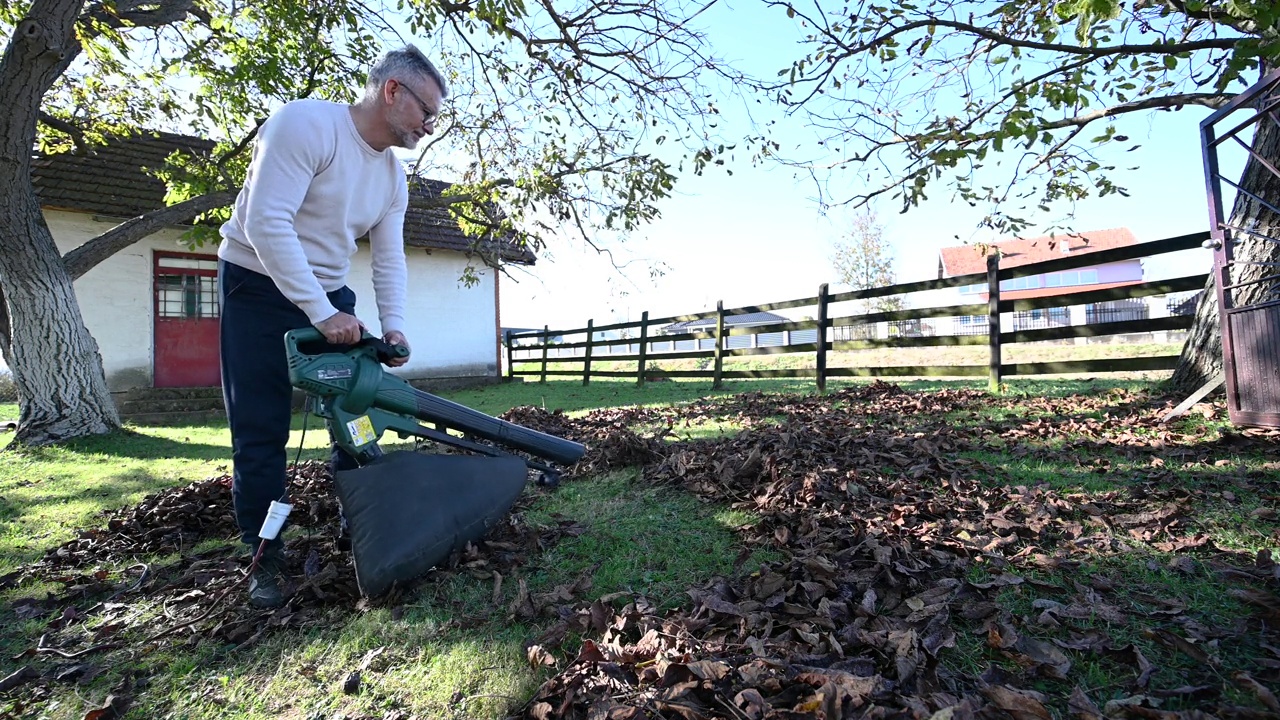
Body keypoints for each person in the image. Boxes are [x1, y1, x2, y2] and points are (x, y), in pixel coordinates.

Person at [217, 45, 449, 608]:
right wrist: (322, 313)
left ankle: (363, 527)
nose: (429, 126)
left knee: (358, 411)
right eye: (427, 111)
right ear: (393, 90)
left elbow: (388, 258)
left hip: (329, 292)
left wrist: (391, 327)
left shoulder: (393, 178)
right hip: (256, 283)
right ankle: (263, 557)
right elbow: (265, 222)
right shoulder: (305, 125)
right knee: (261, 429)